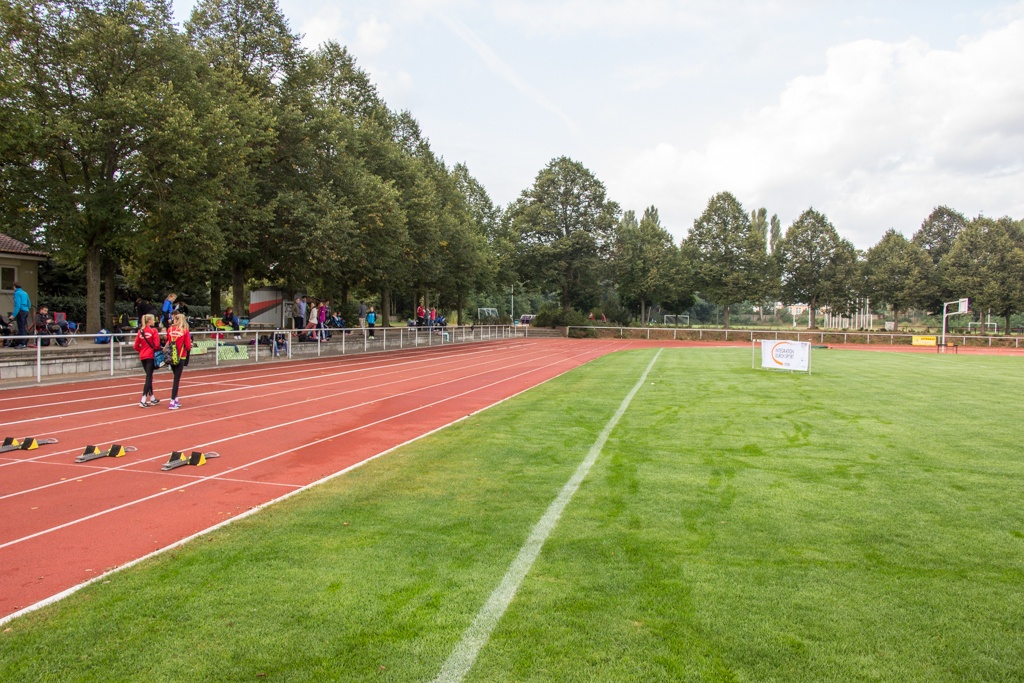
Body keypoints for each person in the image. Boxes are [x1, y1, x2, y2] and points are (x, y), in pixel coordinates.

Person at [133, 314, 162, 408]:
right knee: (149, 378)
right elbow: (157, 345)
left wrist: (141, 351)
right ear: (149, 321)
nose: (154, 321)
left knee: (149, 377)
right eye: (153, 320)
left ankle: (152, 398)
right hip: (150, 356)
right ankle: (143, 399)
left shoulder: (140, 331)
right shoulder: (153, 331)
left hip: (143, 356)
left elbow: (136, 346)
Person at [165, 313, 192, 410]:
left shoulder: (170, 329)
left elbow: (168, 341)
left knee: (175, 376)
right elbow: (188, 346)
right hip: (181, 356)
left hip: (171, 356)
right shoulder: (185, 331)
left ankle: (175, 399)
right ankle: (172, 401)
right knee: (176, 379)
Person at [11, 281, 30, 348]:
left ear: (14, 286)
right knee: (24, 327)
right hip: (26, 311)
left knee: (21, 328)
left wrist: (13, 315)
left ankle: (23, 344)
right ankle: (24, 343)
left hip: (21, 311)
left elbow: (17, 305)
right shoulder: (25, 293)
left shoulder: (17, 293)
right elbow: (29, 303)